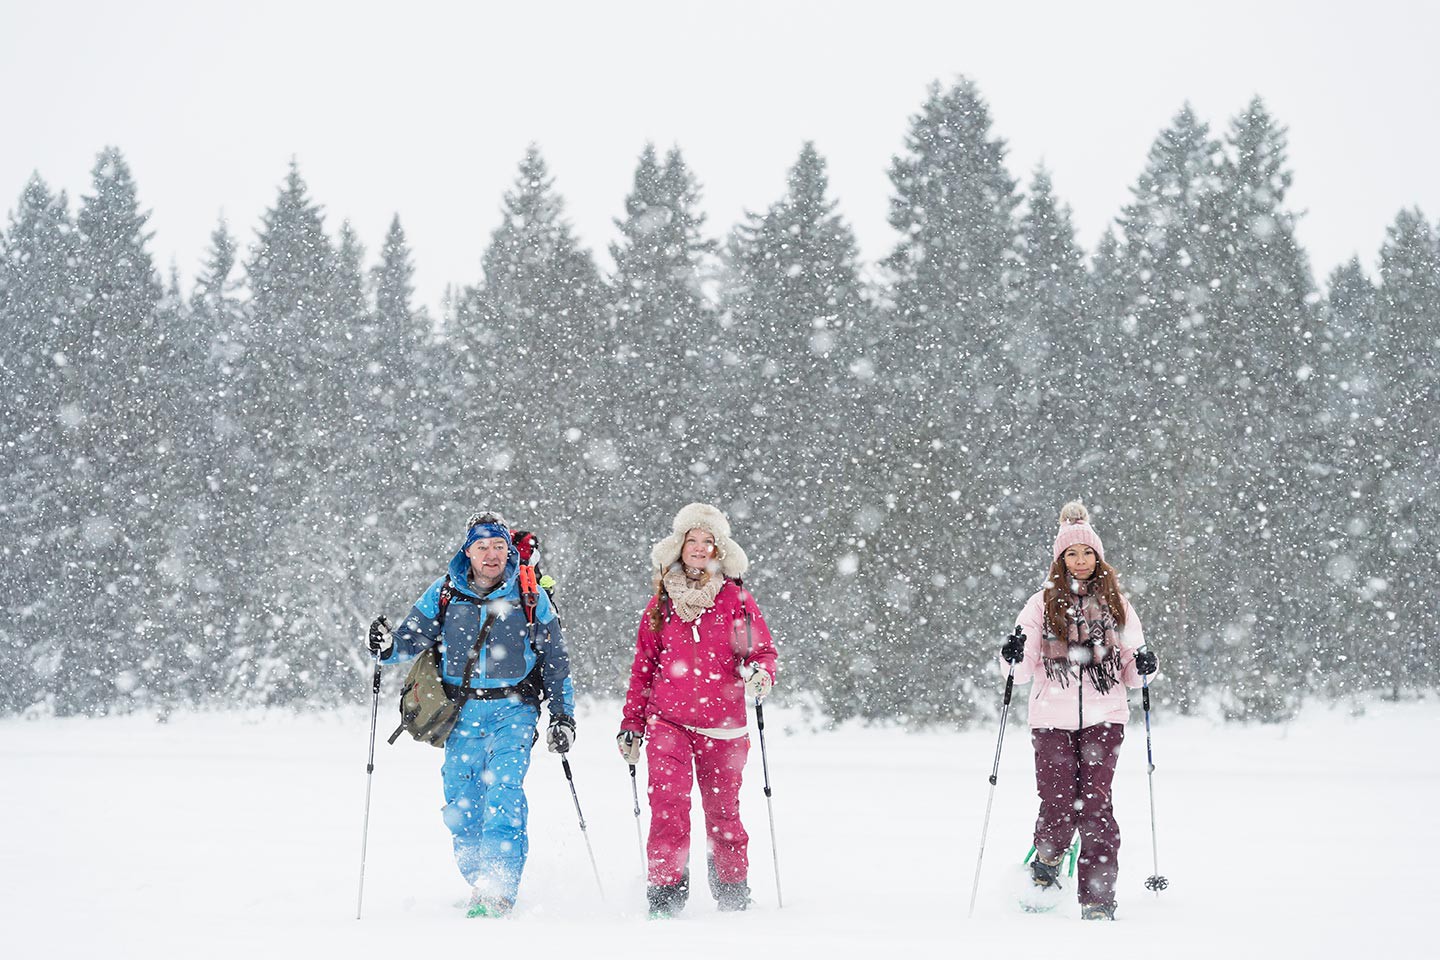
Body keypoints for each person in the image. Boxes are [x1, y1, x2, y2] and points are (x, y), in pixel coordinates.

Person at [367, 511, 576, 919]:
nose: (491, 554)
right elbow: (408, 642)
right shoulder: (444, 592)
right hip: (461, 714)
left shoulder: (529, 594)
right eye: (482, 547)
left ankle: (499, 887)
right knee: (461, 807)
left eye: (499, 546)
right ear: (468, 552)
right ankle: (480, 877)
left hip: (514, 711)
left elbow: (555, 661)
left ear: (509, 550)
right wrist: (385, 645)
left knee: (504, 794)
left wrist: (562, 716)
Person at [618, 502, 779, 917]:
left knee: (724, 814)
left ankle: (733, 894)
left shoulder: (735, 599)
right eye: (693, 540)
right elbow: (643, 669)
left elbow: (761, 652)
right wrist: (632, 724)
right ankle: (665, 899)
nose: (701, 548)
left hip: (724, 727)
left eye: (709, 541)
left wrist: (760, 673)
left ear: (720, 549)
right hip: (667, 721)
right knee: (668, 811)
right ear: (679, 545)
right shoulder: (660, 603)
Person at [1000, 501, 1158, 921]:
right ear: (1060, 559)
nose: (1081, 560)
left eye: (1087, 552)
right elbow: (1018, 667)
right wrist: (1011, 654)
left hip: (1105, 718)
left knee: (1094, 806)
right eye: (1072, 553)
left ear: (1098, 557)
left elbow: (1132, 671)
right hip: (1051, 717)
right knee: (1056, 802)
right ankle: (1048, 859)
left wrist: (1146, 667)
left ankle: (1098, 900)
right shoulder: (1040, 605)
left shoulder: (1118, 606)